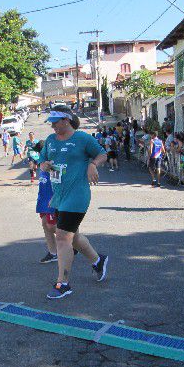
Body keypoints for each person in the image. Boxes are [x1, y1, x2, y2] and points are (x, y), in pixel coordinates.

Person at [38, 106, 109, 299]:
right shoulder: (51, 141)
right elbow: (42, 160)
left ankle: (63, 283)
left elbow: (102, 153)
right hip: (59, 195)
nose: (52, 126)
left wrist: (93, 164)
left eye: (55, 122)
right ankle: (97, 260)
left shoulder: (83, 139)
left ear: (66, 120)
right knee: (73, 236)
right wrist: (43, 165)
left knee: (62, 236)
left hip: (77, 195)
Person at [35, 141, 58, 264]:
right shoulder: (42, 164)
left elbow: (60, 183)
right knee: (45, 224)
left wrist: (54, 199)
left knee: (51, 225)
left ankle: (71, 241)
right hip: (43, 200)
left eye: (40, 152)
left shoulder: (53, 165)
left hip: (52, 200)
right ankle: (53, 253)